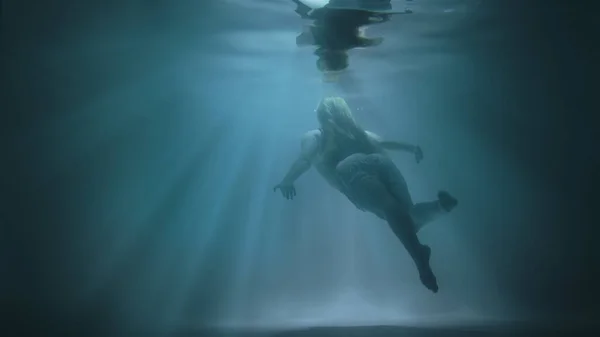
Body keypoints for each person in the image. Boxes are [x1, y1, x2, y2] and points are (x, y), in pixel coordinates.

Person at [273, 97, 458, 293]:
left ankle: (419, 257)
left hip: (349, 169)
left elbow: (305, 160)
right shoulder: (359, 133)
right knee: (406, 215)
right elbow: (385, 143)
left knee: (389, 209)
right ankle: (440, 207)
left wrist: (288, 179)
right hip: (379, 162)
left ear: (320, 115)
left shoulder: (315, 136)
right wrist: (411, 148)